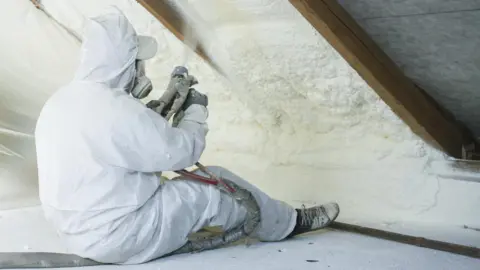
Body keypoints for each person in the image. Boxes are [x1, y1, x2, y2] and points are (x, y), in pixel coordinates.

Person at [34, 7, 340, 264]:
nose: (141, 70)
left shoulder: (61, 102)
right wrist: (195, 112)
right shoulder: (117, 109)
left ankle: (278, 221)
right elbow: (182, 152)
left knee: (186, 190)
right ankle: (288, 224)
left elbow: (118, 144)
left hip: (75, 234)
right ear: (125, 63)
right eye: (138, 63)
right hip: (121, 235)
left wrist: (154, 113)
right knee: (218, 185)